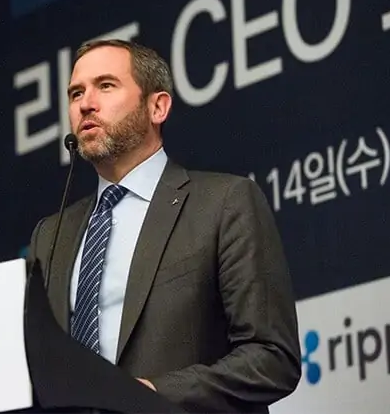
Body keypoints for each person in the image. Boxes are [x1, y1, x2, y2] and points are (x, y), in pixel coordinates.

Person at [25, 39, 301, 413]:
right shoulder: (50, 235)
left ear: (158, 107)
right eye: (76, 93)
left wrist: (150, 394)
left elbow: (272, 358)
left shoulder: (224, 203)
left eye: (105, 86)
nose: (85, 103)